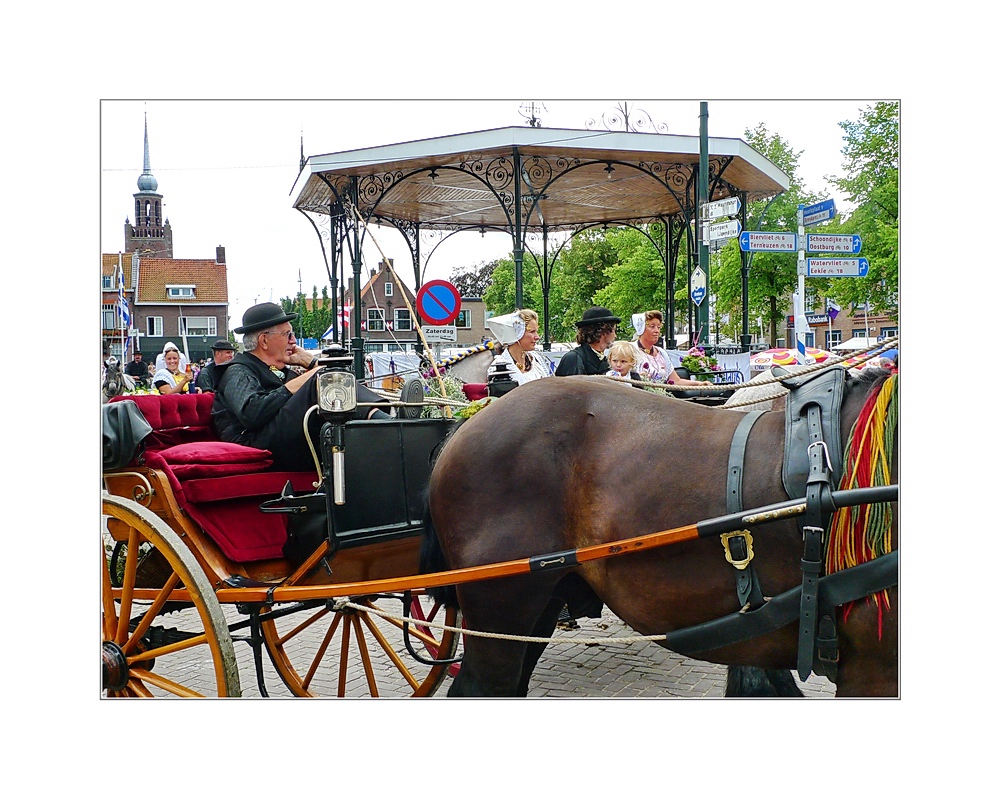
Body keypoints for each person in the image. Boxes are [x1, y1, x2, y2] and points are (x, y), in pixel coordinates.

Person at [211, 302, 389, 473]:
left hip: (282, 440)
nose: (294, 341)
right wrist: (303, 380)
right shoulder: (237, 370)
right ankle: (386, 424)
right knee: (321, 380)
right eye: (287, 334)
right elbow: (251, 413)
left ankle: (382, 425)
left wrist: (312, 363)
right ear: (264, 341)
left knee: (327, 385)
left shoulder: (278, 371)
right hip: (256, 444)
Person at [629, 310, 712, 386]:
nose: (657, 330)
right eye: (652, 326)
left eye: (658, 327)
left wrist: (699, 383)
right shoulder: (631, 350)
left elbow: (676, 381)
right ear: (641, 329)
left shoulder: (661, 353)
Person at [485, 309, 552, 385]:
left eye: (536, 332)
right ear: (517, 334)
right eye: (532, 331)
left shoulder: (536, 360)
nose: (537, 337)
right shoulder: (500, 367)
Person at [554, 306, 621, 376]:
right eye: (613, 331)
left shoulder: (606, 361)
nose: (615, 336)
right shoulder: (574, 359)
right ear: (603, 331)